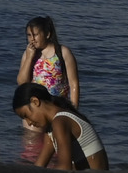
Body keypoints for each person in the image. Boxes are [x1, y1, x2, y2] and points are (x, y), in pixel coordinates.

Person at [10, 15, 81, 163]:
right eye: (29, 35)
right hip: (34, 108)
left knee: (58, 143)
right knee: (32, 145)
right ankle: (33, 169)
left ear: (47, 34)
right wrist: (29, 57)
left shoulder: (63, 52)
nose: (32, 39)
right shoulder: (29, 54)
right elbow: (22, 82)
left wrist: (74, 110)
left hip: (57, 107)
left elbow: (74, 83)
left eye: (35, 34)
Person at [14, 83, 108, 170]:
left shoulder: (60, 121)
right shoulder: (51, 129)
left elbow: (64, 167)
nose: (29, 122)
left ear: (35, 101)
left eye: (26, 116)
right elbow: (39, 167)